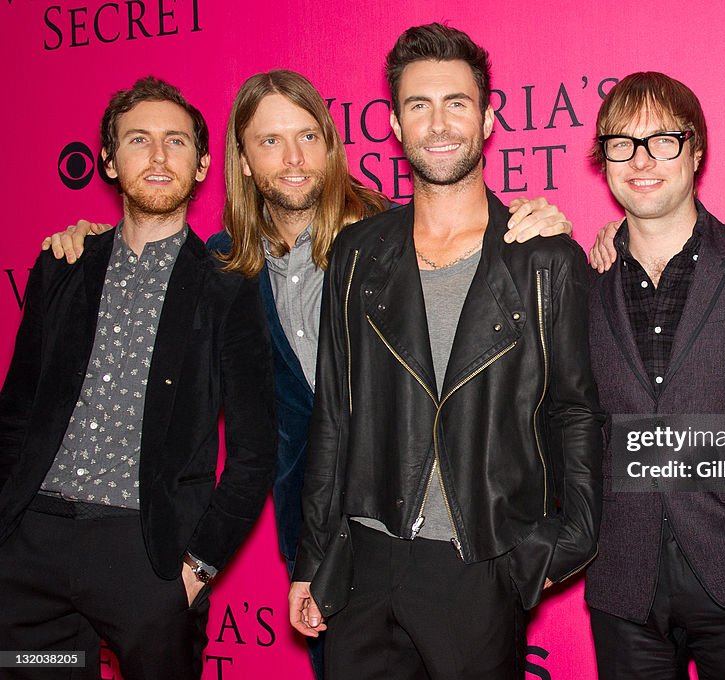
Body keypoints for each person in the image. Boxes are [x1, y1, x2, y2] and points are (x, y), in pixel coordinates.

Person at [43, 67, 574, 680]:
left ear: (331, 143)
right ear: (241, 160)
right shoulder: (222, 267)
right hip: (317, 532)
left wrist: (550, 226)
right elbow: (142, 264)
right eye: (269, 141)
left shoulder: (392, 239)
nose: (293, 158)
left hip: (444, 531)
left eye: (307, 136)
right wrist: (83, 242)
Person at [287, 23, 604, 679]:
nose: (438, 124)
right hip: (365, 562)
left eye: (456, 103)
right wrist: (312, 558)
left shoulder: (544, 259)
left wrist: (561, 543)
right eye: (418, 105)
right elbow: (334, 417)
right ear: (396, 125)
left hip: (481, 563)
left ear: (487, 119)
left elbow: (577, 413)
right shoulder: (356, 254)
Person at [0, 76, 276, 680]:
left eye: (176, 142)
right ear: (108, 158)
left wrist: (195, 568)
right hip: (30, 553)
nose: (157, 157)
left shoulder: (228, 287)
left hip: (145, 556)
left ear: (203, 164)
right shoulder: (61, 265)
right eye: (138, 140)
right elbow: (16, 412)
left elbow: (257, 453)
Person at [582, 72, 725, 680]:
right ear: (603, 158)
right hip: (624, 579)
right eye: (622, 142)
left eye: (663, 139)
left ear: (696, 150)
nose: (641, 159)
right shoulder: (582, 283)